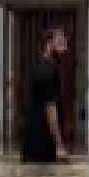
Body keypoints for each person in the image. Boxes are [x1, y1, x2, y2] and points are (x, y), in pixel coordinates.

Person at [21, 25, 69, 162]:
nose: (65, 42)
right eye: (60, 38)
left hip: (34, 141)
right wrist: (59, 145)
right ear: (49, 42)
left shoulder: (40, 66)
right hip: (43, 144)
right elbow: (51, 110)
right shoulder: (48, 70)